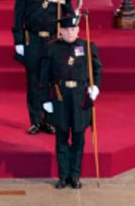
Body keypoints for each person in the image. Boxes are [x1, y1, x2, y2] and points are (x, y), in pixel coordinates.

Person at [13, 0, 74, 134]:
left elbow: (68, 15)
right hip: (33, 41)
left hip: (54, 42)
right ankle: (35, 120)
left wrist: (73, 19)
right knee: (34, 82)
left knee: (53, 82)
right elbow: (18, 19)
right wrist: (18, 42)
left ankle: (50, 121)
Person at [41, 14, 101, 189]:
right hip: (60, 96)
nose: (70, 33)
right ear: (60, 31)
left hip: (80, 97)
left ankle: (75, 175)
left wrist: (95, 87)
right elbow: (44, 76)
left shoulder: (87, 46)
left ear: (78, 30)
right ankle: (63, 176)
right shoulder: (51, 48)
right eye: (66, 30)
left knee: (78, 139)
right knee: (61, 138)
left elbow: (97, 69)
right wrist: (46, 99)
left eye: (73, 29)